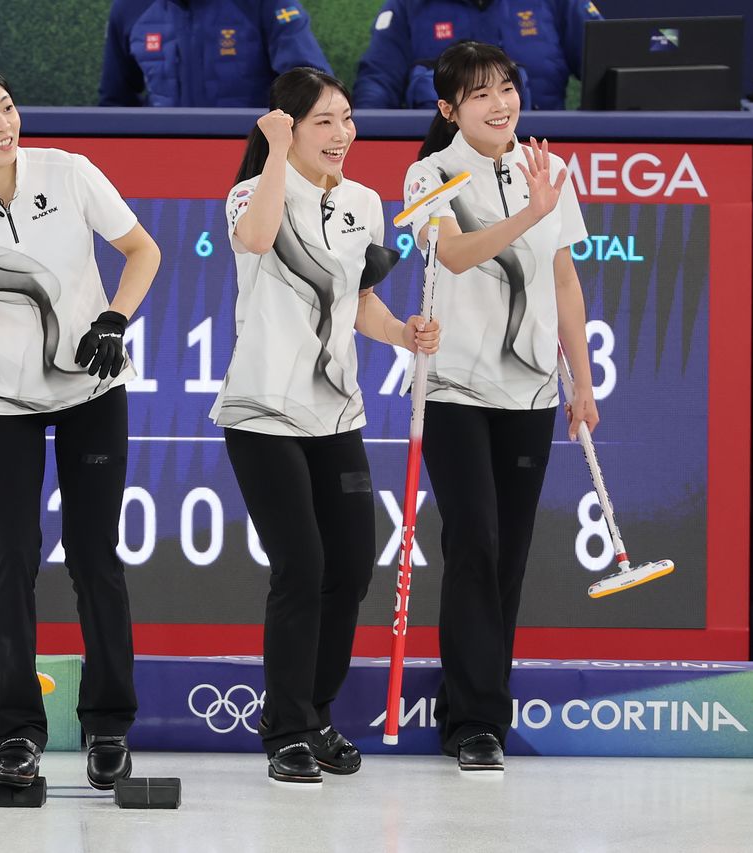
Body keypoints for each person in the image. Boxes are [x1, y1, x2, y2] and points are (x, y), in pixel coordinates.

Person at [0, 64, 161, 791]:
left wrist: (115, 317)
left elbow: (143, 250)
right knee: (10, 561)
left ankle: (108, 724)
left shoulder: (70, 171)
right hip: (2, 401)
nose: (3, 124)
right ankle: (15, 733)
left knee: (94, 557)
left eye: (8, 107)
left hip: (90, 388)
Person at [215, 67, 440, 784]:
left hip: (336, 412)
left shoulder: (366, 204)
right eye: (323, 121)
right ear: (285, 126)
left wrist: (404, 332)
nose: (342, 133)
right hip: (262, 412)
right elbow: (254, 240)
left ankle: (311, 714)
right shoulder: (251, 192)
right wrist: (275, 153)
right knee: (300, 566)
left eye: (346, 118)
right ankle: (284, 728)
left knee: (347, 567)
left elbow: (358, 303)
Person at [400, 40, 597, 770]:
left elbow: (564, 280)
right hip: (454, 388)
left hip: (531, 393)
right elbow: (451, 254)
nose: (500, 102)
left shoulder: (546, 167)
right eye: (479, 93)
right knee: (474, 541)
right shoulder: (427, 173)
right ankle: (475, 723)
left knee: (507, 554)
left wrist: (580, 382)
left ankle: (474, 704)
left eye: (506, 86)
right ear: (449, 109)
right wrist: (529, 213)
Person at [353, 0, 602, 110]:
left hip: (540, 150)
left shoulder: (559, 3)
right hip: (442, 153)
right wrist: (367, 138)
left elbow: (608, 71)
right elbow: (377, 83)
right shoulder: (408, 6)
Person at [99, 0, 333, 107]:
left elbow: (312, 87)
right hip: (164, 158)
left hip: (255, 156)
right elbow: (115, 100)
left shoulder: (267, 4)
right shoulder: (129, 7)